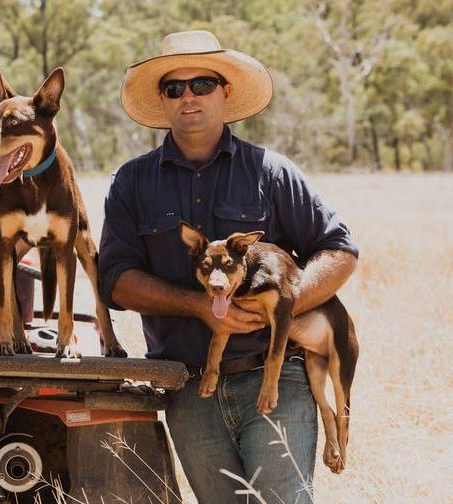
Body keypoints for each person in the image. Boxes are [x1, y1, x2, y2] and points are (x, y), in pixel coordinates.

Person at [98, 31, 359, 502]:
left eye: (201, 83)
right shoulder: (132, 183)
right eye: (174, 88)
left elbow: (339, 251)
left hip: (276, 378)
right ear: (162, 99)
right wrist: (196, 305)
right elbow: (115, 280)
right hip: (188, 387)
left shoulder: (271, 172)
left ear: (226, 91)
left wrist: (280, 306)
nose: (189, 96)